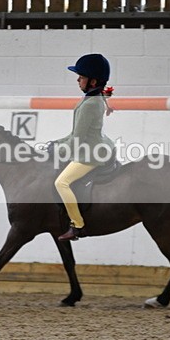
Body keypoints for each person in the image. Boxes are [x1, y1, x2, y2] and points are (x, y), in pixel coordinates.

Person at [52, 53, 115, 241]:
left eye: (81, 77)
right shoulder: (92, 99)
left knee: (61, 183)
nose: (78, 80)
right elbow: (74, 134)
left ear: (93, 81)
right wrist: (57, 143)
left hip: (91, 153)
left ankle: (78, 225)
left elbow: (78, 139)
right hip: (96, 144)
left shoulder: (90, 104)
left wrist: (59, 151)